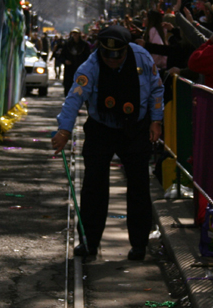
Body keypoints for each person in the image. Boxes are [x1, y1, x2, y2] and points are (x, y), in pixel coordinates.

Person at [51, 26, 164, 261]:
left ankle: (139, 245)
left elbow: (156, 89)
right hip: (101, 128)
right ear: (100, 51)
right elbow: (74, 97)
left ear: (125, 50)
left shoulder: (141, 57)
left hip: (135, 127)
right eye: (107, 56)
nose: (112, 61)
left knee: (139, 186)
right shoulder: (90, 67)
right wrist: (64, 130)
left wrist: (156, 121)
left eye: (118, 56)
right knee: (93, 185)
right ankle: (89, 242)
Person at [62, 28, 90, 95]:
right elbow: (62, 56)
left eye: (76, 33)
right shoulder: (67, 44)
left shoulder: (84, 45)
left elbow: (88, 57)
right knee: (68, 86)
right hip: (69, 69)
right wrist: (65, 61)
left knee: (80, 86)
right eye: (73, 33)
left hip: (80, 69)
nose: (75, 35)